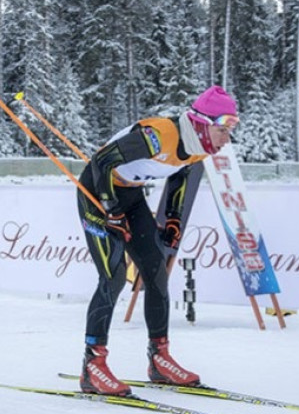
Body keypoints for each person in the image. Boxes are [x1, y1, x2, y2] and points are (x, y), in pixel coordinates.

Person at [75, 85, 240, 396]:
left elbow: (181, 176)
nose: (227, 138)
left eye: (231, 128)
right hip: (97, 191)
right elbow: (102, 162)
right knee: (113, 277)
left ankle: (159, 359)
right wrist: (111, 210)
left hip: (131, 195)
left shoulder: (201, 145)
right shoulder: (159, 134)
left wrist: (173, 220)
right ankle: (92, 365)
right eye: (224, 128)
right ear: (204, 122)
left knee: (156, 272)